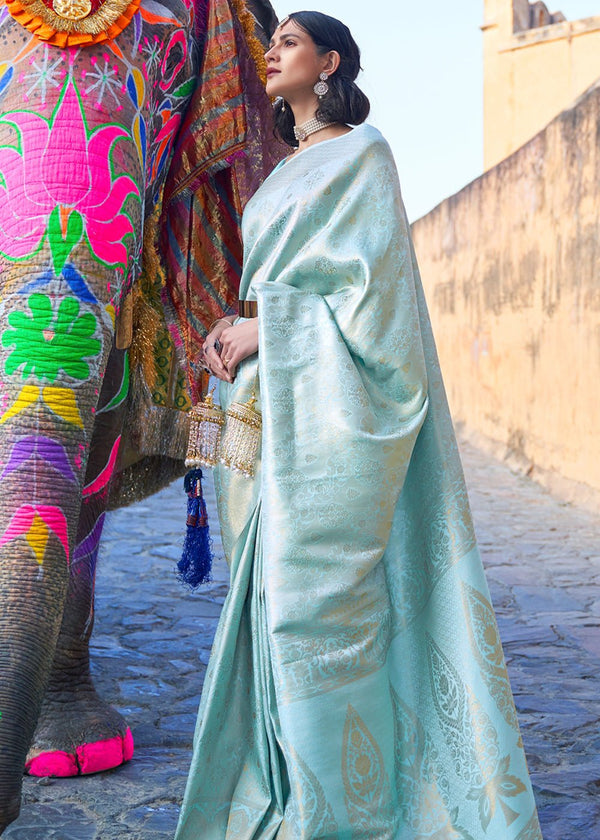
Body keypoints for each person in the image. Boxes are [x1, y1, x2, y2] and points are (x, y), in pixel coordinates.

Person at [175, 11, 542, 839]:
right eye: (276, 42)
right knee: (262, 599)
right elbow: (266, 286)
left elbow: (377, 307)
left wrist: (272, 328)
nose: (273, 52)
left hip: (331, 409)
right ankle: (285, 782)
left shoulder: (362, 155)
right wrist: (233, 335)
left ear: (330, 62)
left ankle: (344, 808)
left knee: (316, 607)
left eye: (292, 42)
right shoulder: (277, 173)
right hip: (264, 407)